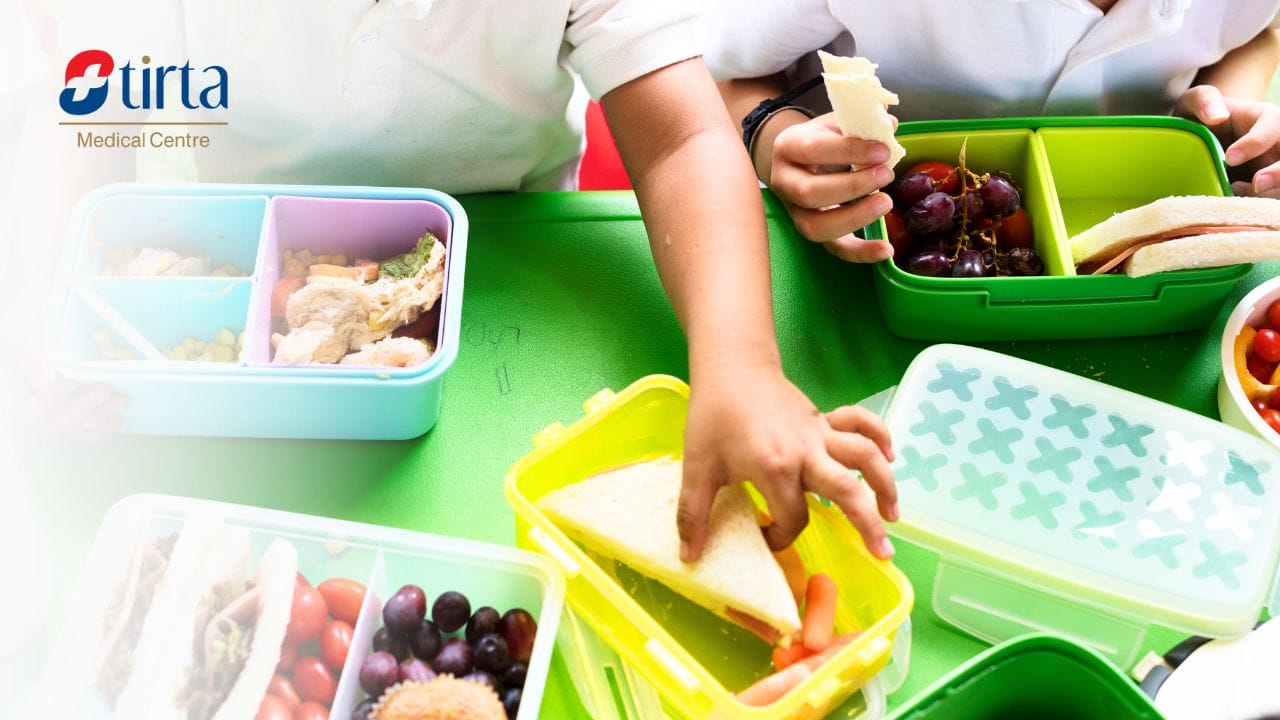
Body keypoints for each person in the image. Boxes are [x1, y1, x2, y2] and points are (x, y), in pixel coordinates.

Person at [2, 0, 899, 562]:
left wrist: (740, 361)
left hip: (514, 260)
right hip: (248, 289)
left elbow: (683, 139)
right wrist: (35, 298)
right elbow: (87, 121)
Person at [701, 0, 1280, 262]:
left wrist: (1231, 111)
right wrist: (769, 135)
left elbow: (1256, 32)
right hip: (844, 252)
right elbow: (713, 66)